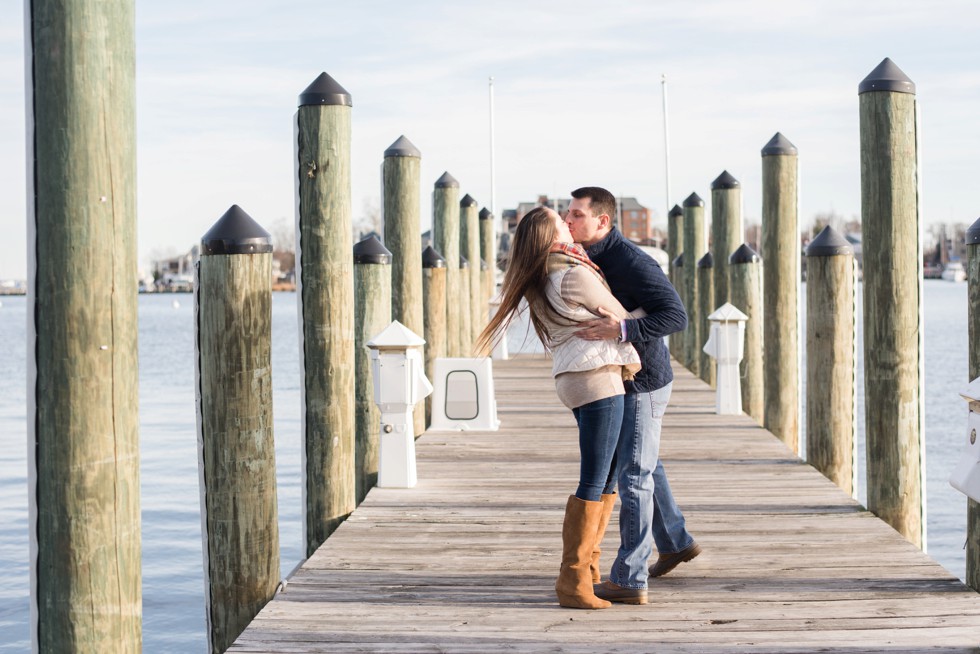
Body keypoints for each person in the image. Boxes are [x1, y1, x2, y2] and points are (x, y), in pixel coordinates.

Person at [477, 206, 641, 610]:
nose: (568, 224)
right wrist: (648, 313)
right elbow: (621, 315)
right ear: (547, 233)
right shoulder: (573, 274)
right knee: (595, 479)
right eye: (559, 219)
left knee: (605, 478)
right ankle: (572, 580)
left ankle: (588, 570)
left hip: (576, 378)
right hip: (597, 377)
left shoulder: (546, 274)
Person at [564, 186, 697, 605]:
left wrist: (621, 330)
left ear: (602, 221)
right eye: (567, 214)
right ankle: (674, 540)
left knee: (633, 476)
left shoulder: (631, 260)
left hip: (644, 383)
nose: (569, 221)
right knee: (642, 463)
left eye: (577, 215)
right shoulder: (589, 257)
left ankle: (630, 578)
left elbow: (676, 315)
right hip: (621, 379)